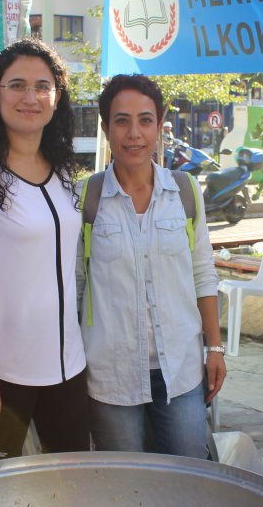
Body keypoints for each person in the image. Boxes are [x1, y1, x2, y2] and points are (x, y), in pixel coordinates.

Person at [0, 37, 90, 458]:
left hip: (66, 362)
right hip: (2, 368)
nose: (31, 97)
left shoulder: (62, 171)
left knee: (73, 480)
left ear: (57, 97)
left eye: (43, 86)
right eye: (17, 85)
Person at [78, 74, 227, 458]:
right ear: (106, 128)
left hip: (180, 371)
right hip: (111, 375)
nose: (134, 134)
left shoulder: (186, 193)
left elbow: (202, 274)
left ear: (160, 126)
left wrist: (215, 348)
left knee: (189, 480)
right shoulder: (86, 199)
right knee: (127, 489)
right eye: (122, 120)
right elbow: (75, 287)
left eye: (145, 120)